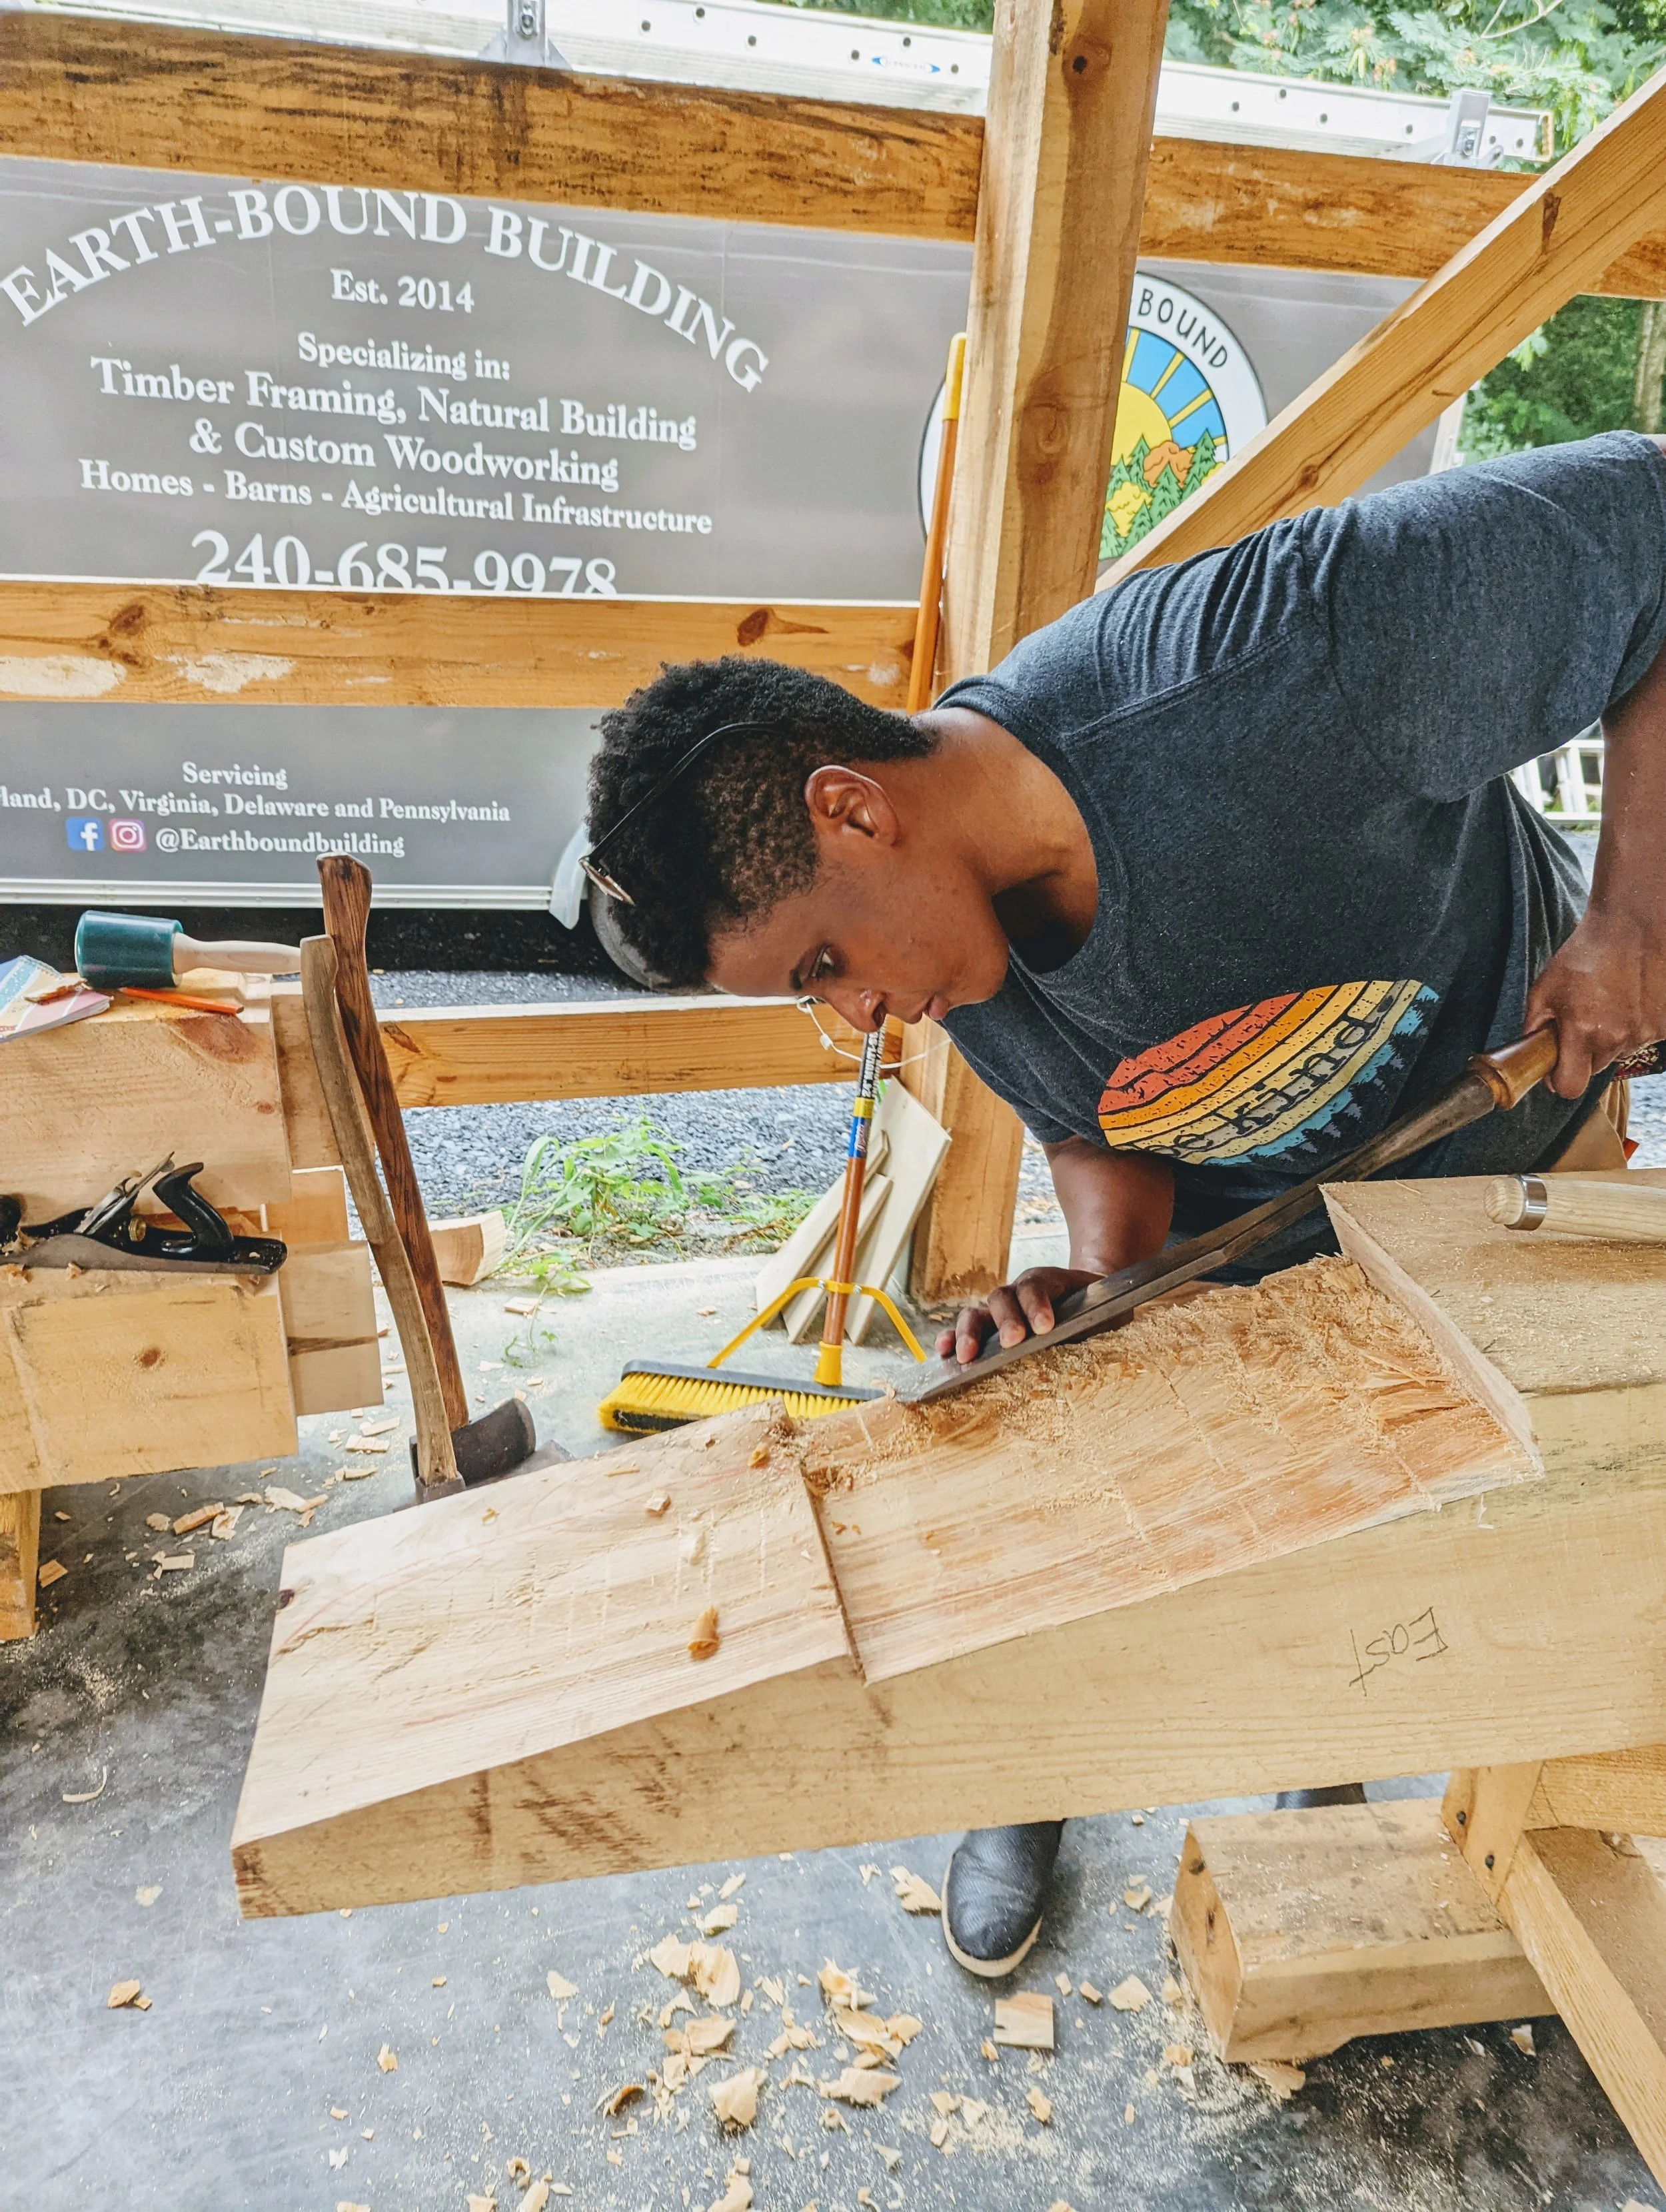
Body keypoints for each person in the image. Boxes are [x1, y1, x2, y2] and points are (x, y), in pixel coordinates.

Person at [582, 430, 1666, 1975]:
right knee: (1042, 1412)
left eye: (824, 964)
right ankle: (1035, 1756)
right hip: (1270, 1216)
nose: (859, 1019)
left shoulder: (1276, 660)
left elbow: (1652, 533)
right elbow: (1104, 1111)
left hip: (1513, 1135)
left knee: (1451, 1520)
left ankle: (1334, 1726)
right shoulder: (955, 956)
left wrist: (1632, 914)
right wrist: (1105, 1284)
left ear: (852, 809)